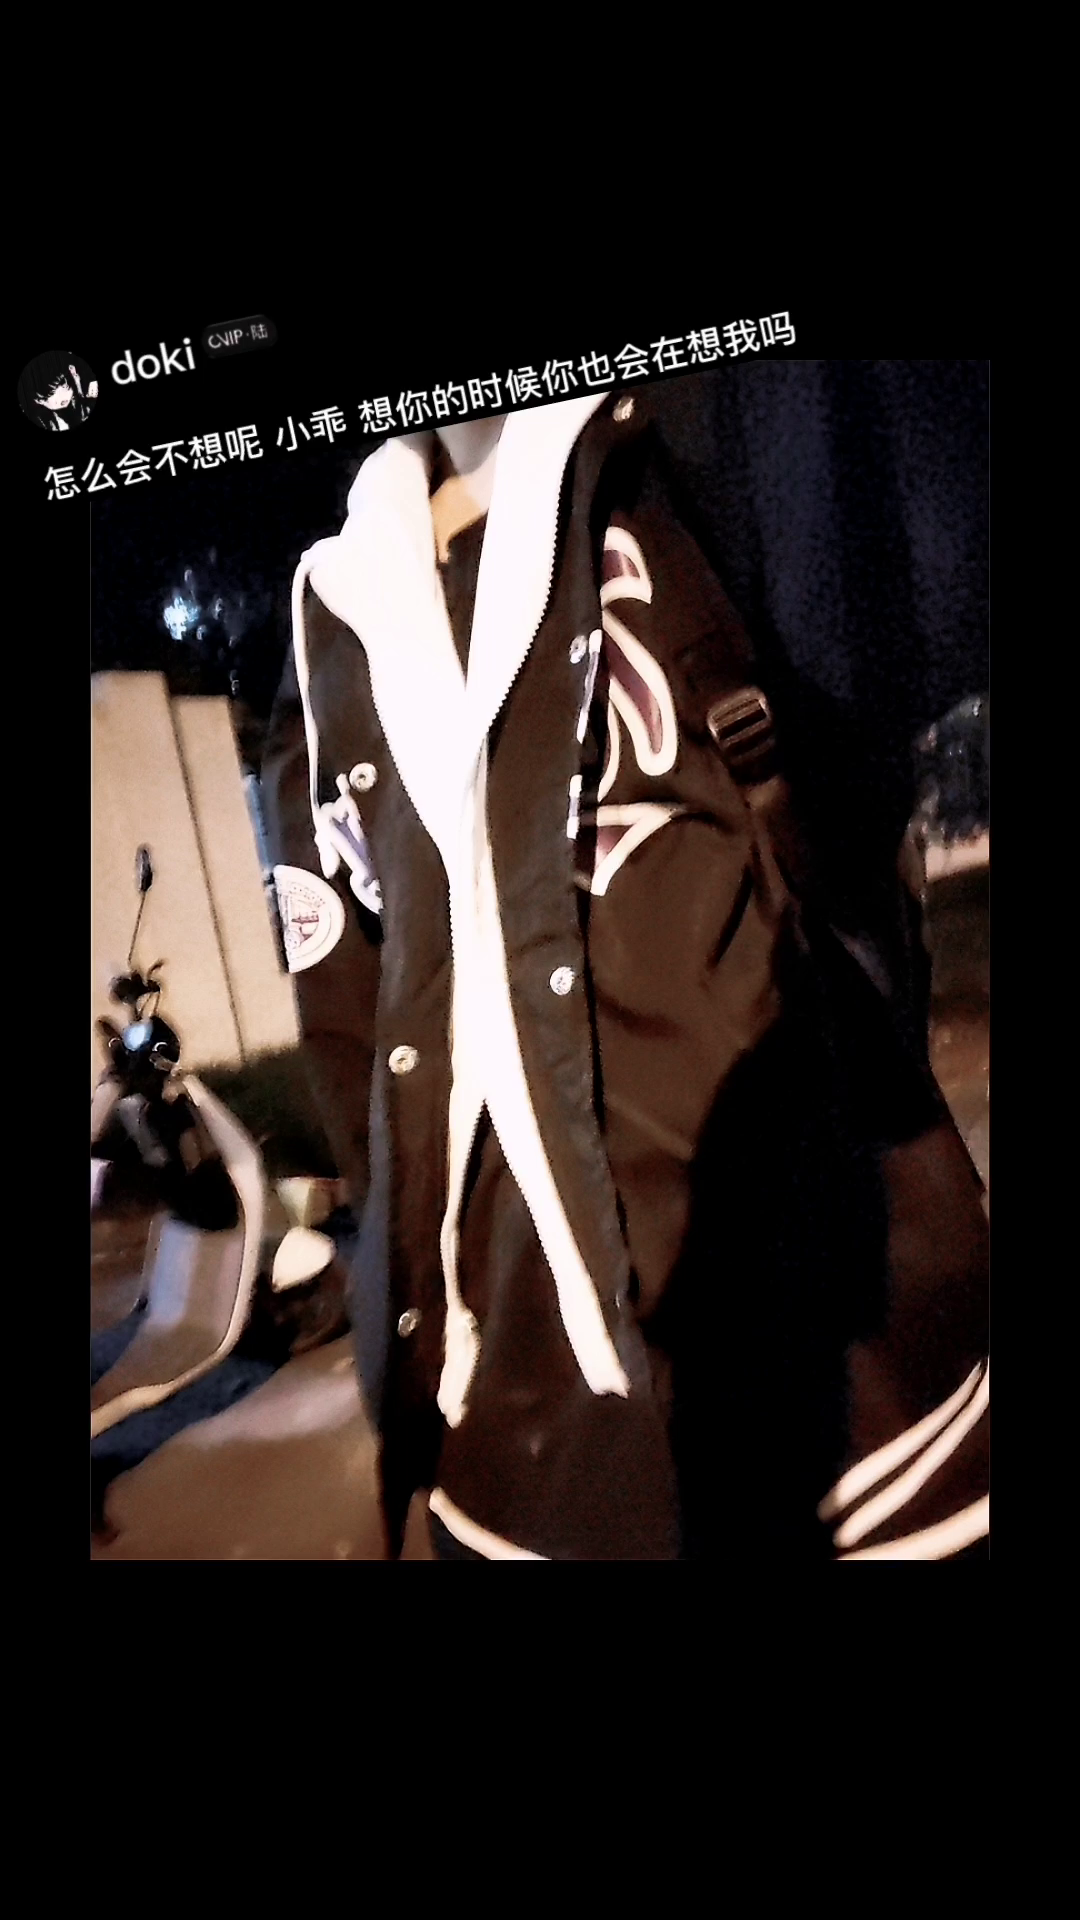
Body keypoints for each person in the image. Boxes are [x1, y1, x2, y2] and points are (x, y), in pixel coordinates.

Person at [260, 368, 989, 1562]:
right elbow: (353, 1036)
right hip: (514, 1453)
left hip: (857, 1407)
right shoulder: (328, 618)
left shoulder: (706, 453)